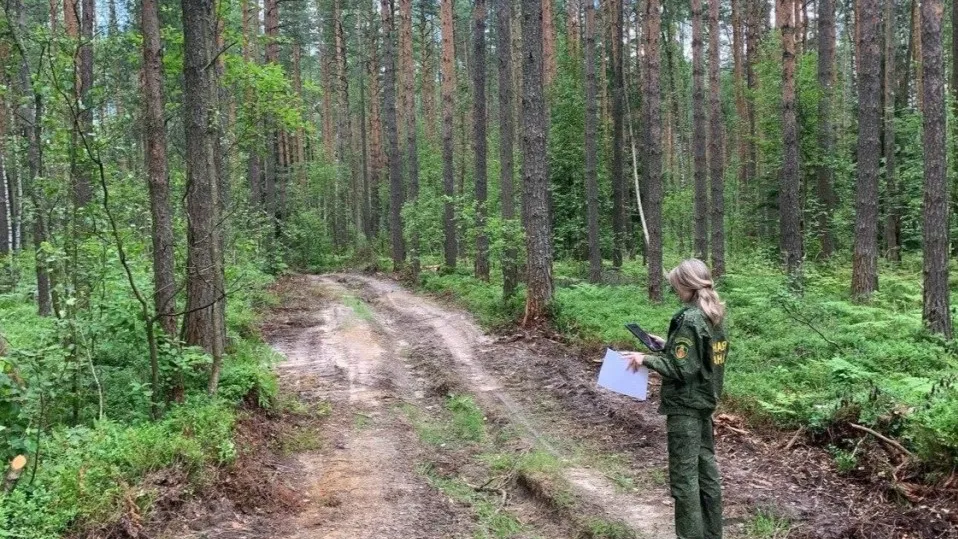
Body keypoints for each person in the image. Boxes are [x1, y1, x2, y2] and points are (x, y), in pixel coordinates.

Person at [621, 259, 729, 539]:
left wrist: (644, 358)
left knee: (684, 480)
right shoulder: (713, 314)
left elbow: (682, 369)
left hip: (686, 408)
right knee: (706, 474)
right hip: (704, 404)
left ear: (685, 284)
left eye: (675, 286)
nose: (674, 290)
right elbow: (699, 358)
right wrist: (668, 346)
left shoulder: (689, 317)